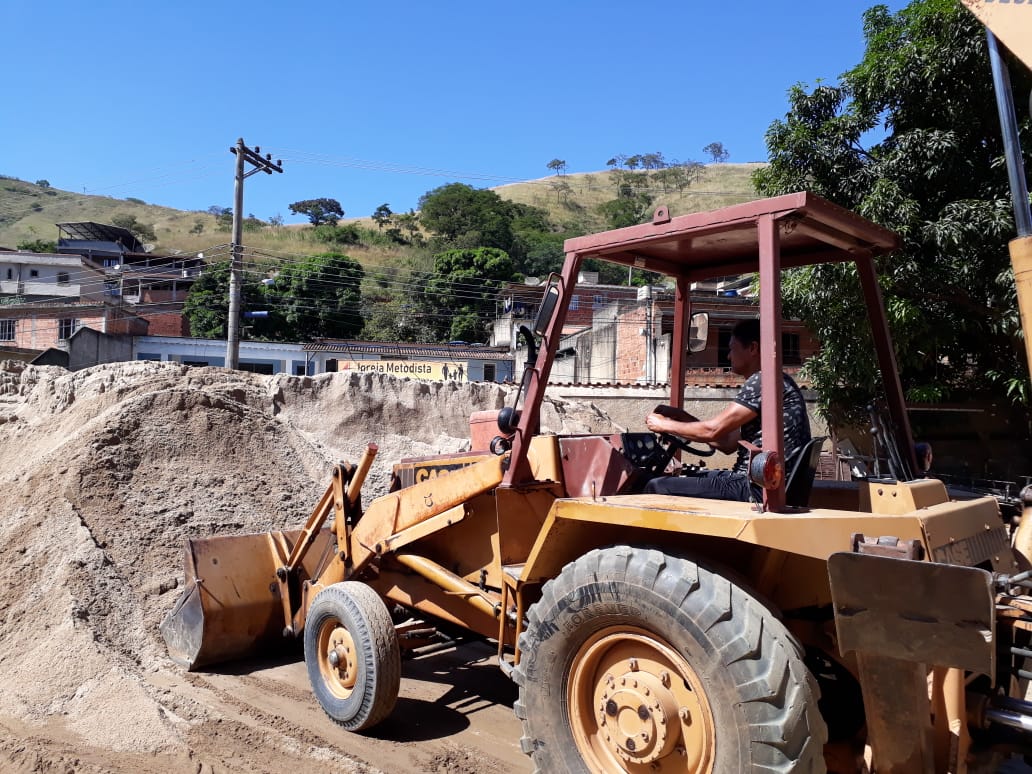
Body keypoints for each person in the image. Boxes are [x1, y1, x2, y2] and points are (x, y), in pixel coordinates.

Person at [643, 318, 811, 502]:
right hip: (761, 483)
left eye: (732, 348)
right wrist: (683, 418)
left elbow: (712, 430)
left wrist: (664, 424)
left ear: (753, 348)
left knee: (656, 486)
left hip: (756, 487)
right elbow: (728, 443)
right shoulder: (776, 381)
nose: (729, 356)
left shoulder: (762, 381)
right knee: (688, 476)